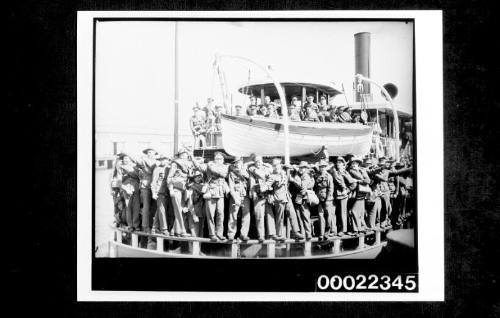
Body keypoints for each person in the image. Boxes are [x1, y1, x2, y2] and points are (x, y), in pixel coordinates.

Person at [193, 151, 229, 242]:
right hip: (211, 193)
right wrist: (192, 157)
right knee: (210, 215)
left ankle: (219, 233)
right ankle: (212, 234)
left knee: (220, 214)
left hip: (220, 193)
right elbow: (198, 166)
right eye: (216, 158)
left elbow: (223, 174)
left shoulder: (224, 167)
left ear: (223, 160)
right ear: (214, 159)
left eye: (220, 158)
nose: (218, 160)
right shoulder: (208, 166)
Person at [167, 148, 194, 237]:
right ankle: (182, 230)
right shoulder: (176, 163)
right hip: (176, 189)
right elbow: (169, 177)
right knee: (178, 210)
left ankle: (174, 230)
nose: (185, 155)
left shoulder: (189, 164)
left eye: (186, 154)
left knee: (180, 210)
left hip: (184, 189)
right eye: (183, 154)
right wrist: (170, 189)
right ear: (180, 155)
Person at [248, 155, 272, 242]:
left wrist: (267, 186)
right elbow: (251, 182)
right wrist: (253, 192)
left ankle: (271, 235)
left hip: (267, 194)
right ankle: (261, 235)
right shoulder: (252, 170)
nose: (258, 163)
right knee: (259, 216)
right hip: (258, 194)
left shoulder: (267, 168)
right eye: (256, 162)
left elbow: (271, 175)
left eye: (259, 161)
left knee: (270, 216)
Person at [289, 161, 315, 240]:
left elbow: (302, 187)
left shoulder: (305, 176)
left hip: (303, 197)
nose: (301, 169)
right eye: (300, 167)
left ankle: (308, 234)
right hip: (299, 197)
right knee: (300, 216)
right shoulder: (301, 175)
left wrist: (293, 180)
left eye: (303, 168)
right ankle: (304, 234)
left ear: (306, 169)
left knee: (305, 215)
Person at [227, 156, 251, 241]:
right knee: (233, 215)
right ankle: (231, 234)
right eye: (236, 163)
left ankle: (244, 234)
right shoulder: (232, 174)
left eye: (239, 162)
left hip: (245, 196)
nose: (237, 164)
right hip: (236, 195)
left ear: (242, 163)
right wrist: (235, 198)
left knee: (246, 215)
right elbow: (231, 187)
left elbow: (251, 184)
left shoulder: (246, 173)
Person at [331, 156, 356, 236]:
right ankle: (339, 228)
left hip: (343, 196)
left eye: (340, 162)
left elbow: (353, 184)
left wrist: (347, 191)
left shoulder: (344, 172)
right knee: (338, 213)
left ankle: (344, 230)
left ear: (343, 164)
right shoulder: (334, 171)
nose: (338, 164)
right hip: (336, 196)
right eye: (337, 162)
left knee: (343, 213)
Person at [313, 159, 336, 240]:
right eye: (321, 167)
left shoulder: (329, 176)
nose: (322, 168)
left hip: (327, 199)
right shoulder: (317, 176)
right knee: (320, 215)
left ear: (326, 167)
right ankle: (321, 233)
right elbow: (315, 186)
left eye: (323, 167)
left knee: (328, 216)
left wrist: (328, 199)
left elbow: (331, 188)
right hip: (319, 198)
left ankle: (327, 231)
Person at [348, 156, 371, 233]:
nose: (353, 165)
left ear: (358, 164)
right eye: (352, 163)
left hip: (361, 193)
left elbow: (368, 181)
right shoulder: (350, 171)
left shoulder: (361, 171)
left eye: (355, 163)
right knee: (356, 212)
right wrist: (361, 180)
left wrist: (358, 181)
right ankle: (358, 229)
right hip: (355, 194)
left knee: (355, 211)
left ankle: (358, 228)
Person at [118, 154, 141, 231]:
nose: (126, 160)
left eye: (128, 158)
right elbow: (119, 182)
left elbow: (139, 175)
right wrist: (126, 189)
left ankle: (136, 225)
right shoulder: (120, 168)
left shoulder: (134, 167)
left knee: (136, 207)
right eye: (125, 158)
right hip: (127, 188)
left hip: (136, 187)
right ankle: (130, 225)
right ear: (123, 160)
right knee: (129, 207)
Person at [151, 155, 171, 236]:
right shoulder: (157, 169)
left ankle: (154, 228)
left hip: (167, 193)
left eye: (165, 159)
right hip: (160, 193)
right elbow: (153, 182)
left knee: (159, 210)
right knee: (162, 210)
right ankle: (164, 229)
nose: (163, 161)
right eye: (162, 160)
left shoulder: (169, 169)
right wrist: (154, 193)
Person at [110, 154, 125, 226]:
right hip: (115, 190)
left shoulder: (124, 172)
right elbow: (110, 182)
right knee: (116, 206)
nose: (119, 166)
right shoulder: (113, 173)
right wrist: (111, 190)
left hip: (122, 189)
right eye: (118, 164)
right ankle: (118, 221)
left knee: (123, 206)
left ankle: (122, 220)